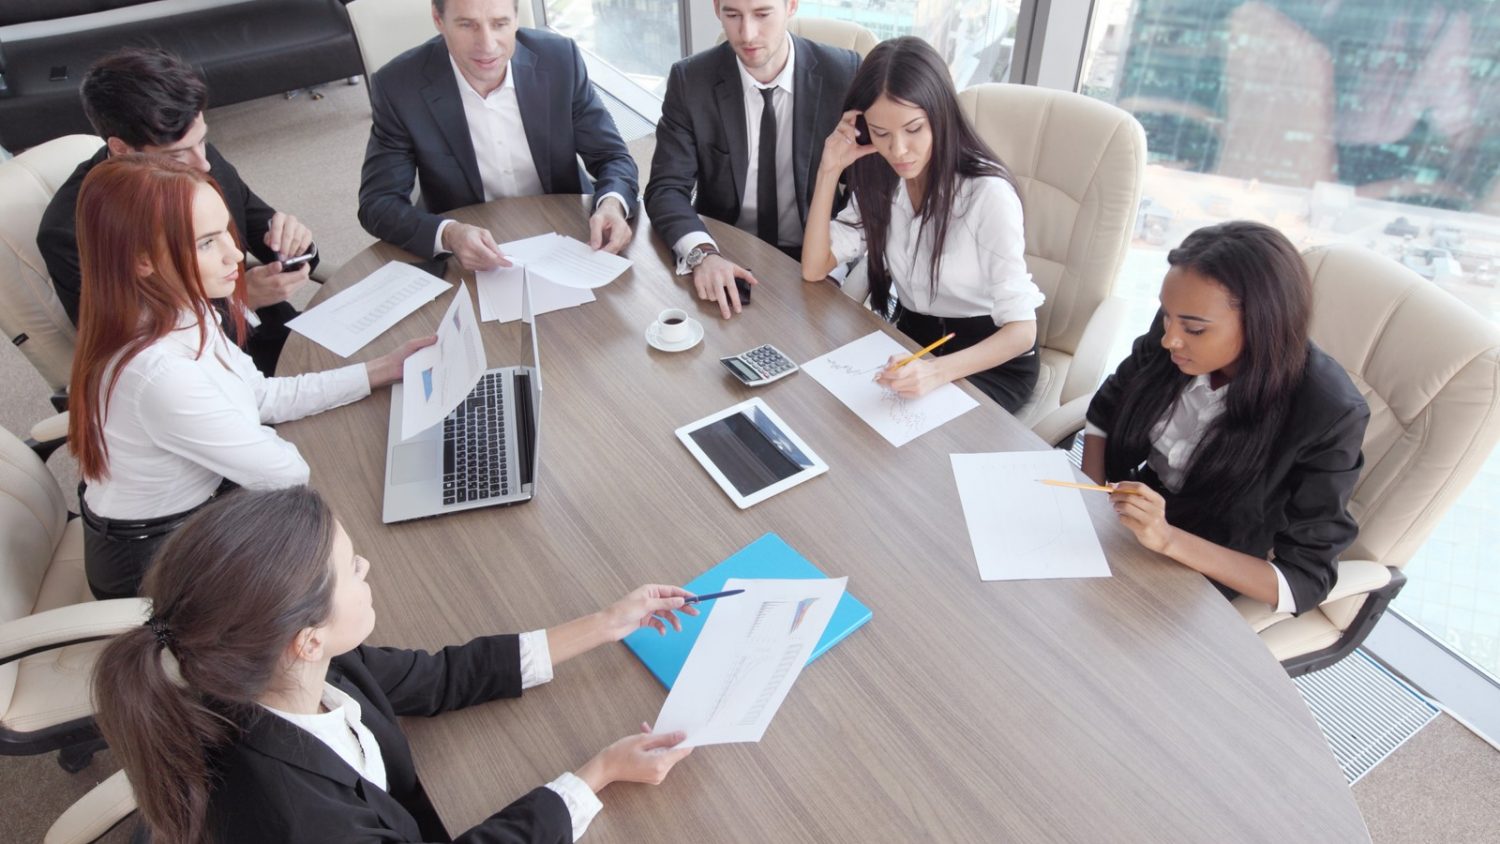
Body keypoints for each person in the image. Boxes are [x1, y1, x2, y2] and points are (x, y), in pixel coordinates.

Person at [92, 485, 696, 843]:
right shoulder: (307, 820)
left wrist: (608, 623)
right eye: (352, 568)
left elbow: (442, 677)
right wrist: (597, 774)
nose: (367, 570)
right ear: (306, 638)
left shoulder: (280, 667)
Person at [67, 155, 432, 601]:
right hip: (153, 563)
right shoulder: (159, 373)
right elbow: (284, 473)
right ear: (143, 261)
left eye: (226, 231)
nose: (235, 255)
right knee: (371, 575)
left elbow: (259, 395)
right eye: (206, 243)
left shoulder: (184, 305)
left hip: (203, 506)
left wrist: (379, 369)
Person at [1082, 221, 1370, 613]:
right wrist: (1091, 503)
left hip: (1204, 568)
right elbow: (1108, 408)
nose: (1169, 339)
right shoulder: (1178, 329)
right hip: (1123, 521)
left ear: (1261, 325)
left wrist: (1166, 538)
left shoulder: (1328, 412)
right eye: (1167, 316)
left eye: (1194, 329)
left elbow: (1305, 579)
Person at [37, 47, 316, 375]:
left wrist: (295, 244)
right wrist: (241, 301)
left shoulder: (195, 152)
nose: (204, 163)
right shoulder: (70, 232)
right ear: (121, 149)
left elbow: (262, 229)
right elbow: (129, 348)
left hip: (275, 333)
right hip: (200, 375)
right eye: (179, 155)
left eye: (202, 141)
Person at [801, 37, 1043, 412]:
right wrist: (830, 168)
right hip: (915, 338)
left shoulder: (987, 195)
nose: (898, 150)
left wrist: (935, 372)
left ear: (940, 115)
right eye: (881, 133)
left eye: (913, 129)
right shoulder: (880, 177)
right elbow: (815, 267)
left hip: (987, 358)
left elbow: (1022, 332)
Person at [359, 0, 639, 272]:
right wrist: (447, 234)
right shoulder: (398, 86)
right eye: (467, 25)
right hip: (468, 249)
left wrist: (611, 204)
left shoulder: (561, 60)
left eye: (500, 23)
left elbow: (611, 155)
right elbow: (378, 203)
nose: (487, 44)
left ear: (516, 19)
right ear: (438, 19)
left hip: (569, 232)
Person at [644, 0, 860, 319]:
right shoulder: (690, 80)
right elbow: (666, 189)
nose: (747, 34)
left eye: (762, 14)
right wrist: (703, 254)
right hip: (725, 254)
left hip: (816, 258)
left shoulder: (843, 74)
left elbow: (868, 191)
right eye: (732, 15)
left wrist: (835, 265)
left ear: (791, 6)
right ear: (717, 8)